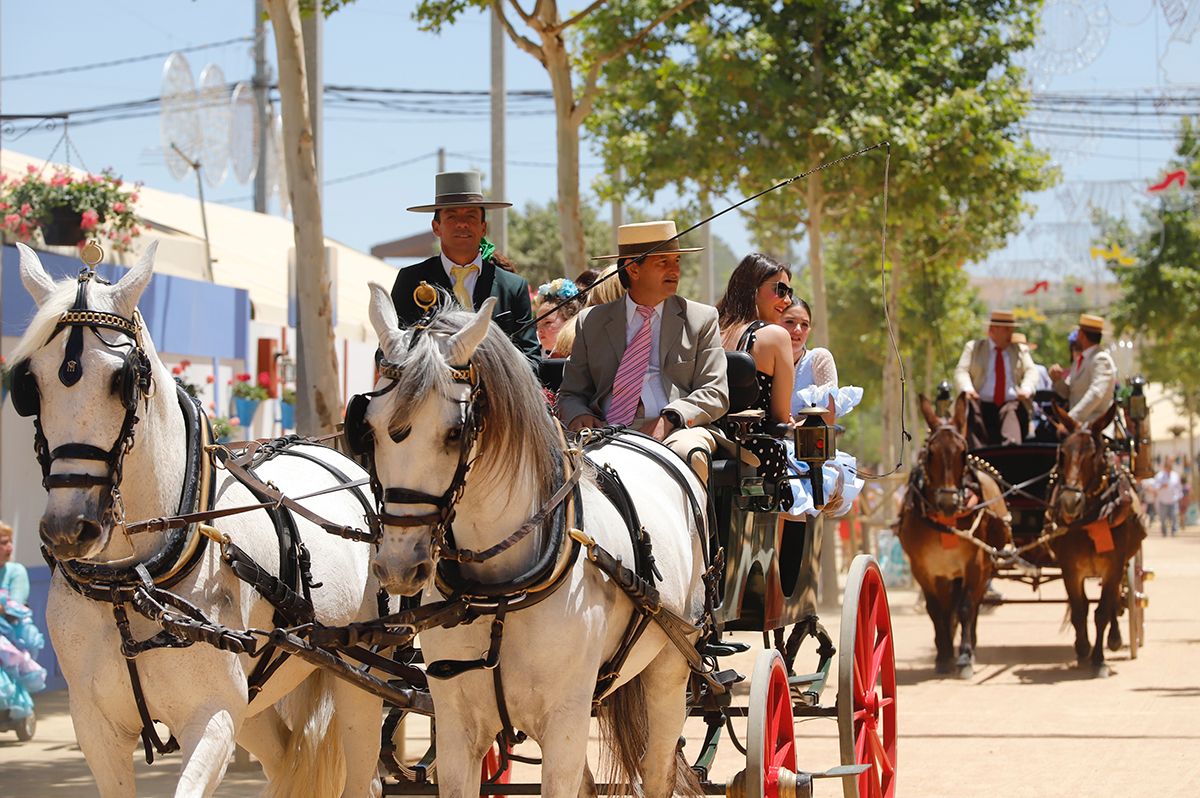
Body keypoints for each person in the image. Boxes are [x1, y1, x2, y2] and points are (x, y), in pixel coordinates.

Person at [558, 220, 728, 483]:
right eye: (663, 262)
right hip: (605, 431)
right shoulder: (590, 322)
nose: (675, 270)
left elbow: (715, 392)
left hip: (677, 430)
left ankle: (696, 525)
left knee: (689, 453)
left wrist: (670, 417)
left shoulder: (701, 319)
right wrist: (580, 415)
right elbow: (571, 393)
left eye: (677, 261)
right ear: (633, 269)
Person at [390, 171, 541, 368]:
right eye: (452, 216)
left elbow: (532, 359)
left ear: (483, 227)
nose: (462, 223)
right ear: (436, 227)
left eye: (471, 216)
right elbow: (390, 348)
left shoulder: (513, 286)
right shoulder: (410, 280)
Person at [716, 253, 796, 508]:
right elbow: (780, 416)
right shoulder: (775, 336)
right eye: (780, 290)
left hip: (710, 441)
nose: (787, 300)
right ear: (753, 288)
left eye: (789, 292)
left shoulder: (713, 331)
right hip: (757, 454)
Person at [777, 296, 864, 518]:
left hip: (805, 452)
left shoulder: (818, 359)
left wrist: (792, 426)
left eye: (804, 324)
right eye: (789, 322)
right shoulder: (763, 357)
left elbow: (828, 416)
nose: (797, 330)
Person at [953, 309, 1038, 448]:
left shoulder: (1019, 350)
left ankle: (1010, 455)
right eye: (1007, 329)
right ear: (993, 330)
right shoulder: (974, 348)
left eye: (1011, 329)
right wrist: (967, 389)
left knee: (1012, 421)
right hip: (979, 403)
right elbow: (961, 371)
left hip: (1009, 404)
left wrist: (1026, 389)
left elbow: (1031, 371)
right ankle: (977, 459)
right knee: (971, 413)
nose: (1011, 333)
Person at [1049, 313, 1118, 428]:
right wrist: (1057, 380)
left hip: (1095, 428)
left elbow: (1096, 393)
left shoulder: (1101, 359)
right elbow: (1069, 392)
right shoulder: (1081, 360)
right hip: (1077, 428)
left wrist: (1071, 419)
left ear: (1081, 335)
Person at [532, 278, 584, 357]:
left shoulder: (583, 356)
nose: (539, 330)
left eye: (547, 322)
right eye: (538, 325)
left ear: (569, 320)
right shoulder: (537, 357)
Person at [0, 523, 29, 606]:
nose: (10, 547)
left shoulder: (16, 571)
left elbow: (15, 606)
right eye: (4, 543)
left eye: (11, 542)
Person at [1153, 459, 1182, 537]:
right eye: (1167, 467)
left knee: (1174, 516)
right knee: (1163, 518)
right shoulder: (1159, 476)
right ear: (1164, 467)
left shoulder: (1175, 475)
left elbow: (1179, 487)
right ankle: (1164, 531)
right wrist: (1161, 486)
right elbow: (1155, 487)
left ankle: (1174, 531)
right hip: (1163, 500)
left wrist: (1179, 497)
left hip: (1173, 500)